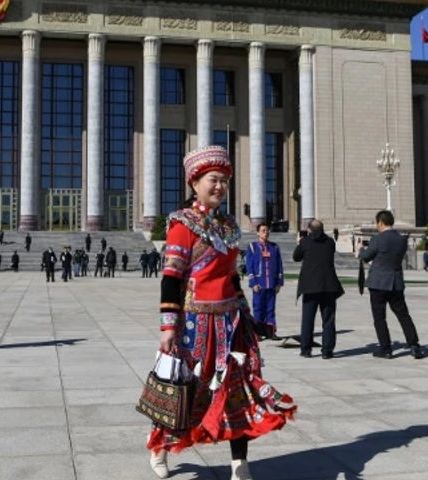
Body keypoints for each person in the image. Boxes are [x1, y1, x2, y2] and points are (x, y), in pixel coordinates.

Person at [147, 145, 295, 480]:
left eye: (225, 181)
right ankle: (159, 445)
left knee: (237, 390)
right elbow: (171, 278)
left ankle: (239, 464)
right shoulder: (181, 224)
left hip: (231, 324)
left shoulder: (228, 227)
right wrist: (168, 326)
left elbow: (231, 277)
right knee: (185, 389)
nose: (220, 187)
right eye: (214, 179)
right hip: (194, 324)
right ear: (195, 182)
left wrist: (249, 317)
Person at [359, 210, 425, 360]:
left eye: (377, 223)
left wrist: (360, 250)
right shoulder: (401, 239)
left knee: (379, 317)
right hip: (395, 282)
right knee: (403, 315)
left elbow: (366, 257)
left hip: (378, 283)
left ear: (381, 223)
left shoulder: (377, 239)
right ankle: (414, 345)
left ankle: (386, 349)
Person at [293, 220, 344, 359]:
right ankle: (327, 350)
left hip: (310, 287)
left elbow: (296, 257)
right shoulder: (330, 242)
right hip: (328, 286)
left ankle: (306, 349)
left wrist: (300, 242)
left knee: (308, 319)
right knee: (328, 320)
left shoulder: (305, 242)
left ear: (309, 229)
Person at [245, 223, 284, 339]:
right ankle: (258, 333)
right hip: (259, 284)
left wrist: (279, 283)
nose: (265, 233)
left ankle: (271, 332)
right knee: (258, 308)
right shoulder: (252, 247)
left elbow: (279, 265)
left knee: (270, 309)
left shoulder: (274, 247)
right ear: (258, 233)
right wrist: (253, 283)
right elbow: (249, 266)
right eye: (263, 231)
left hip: (271, 283)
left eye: (267, 231)